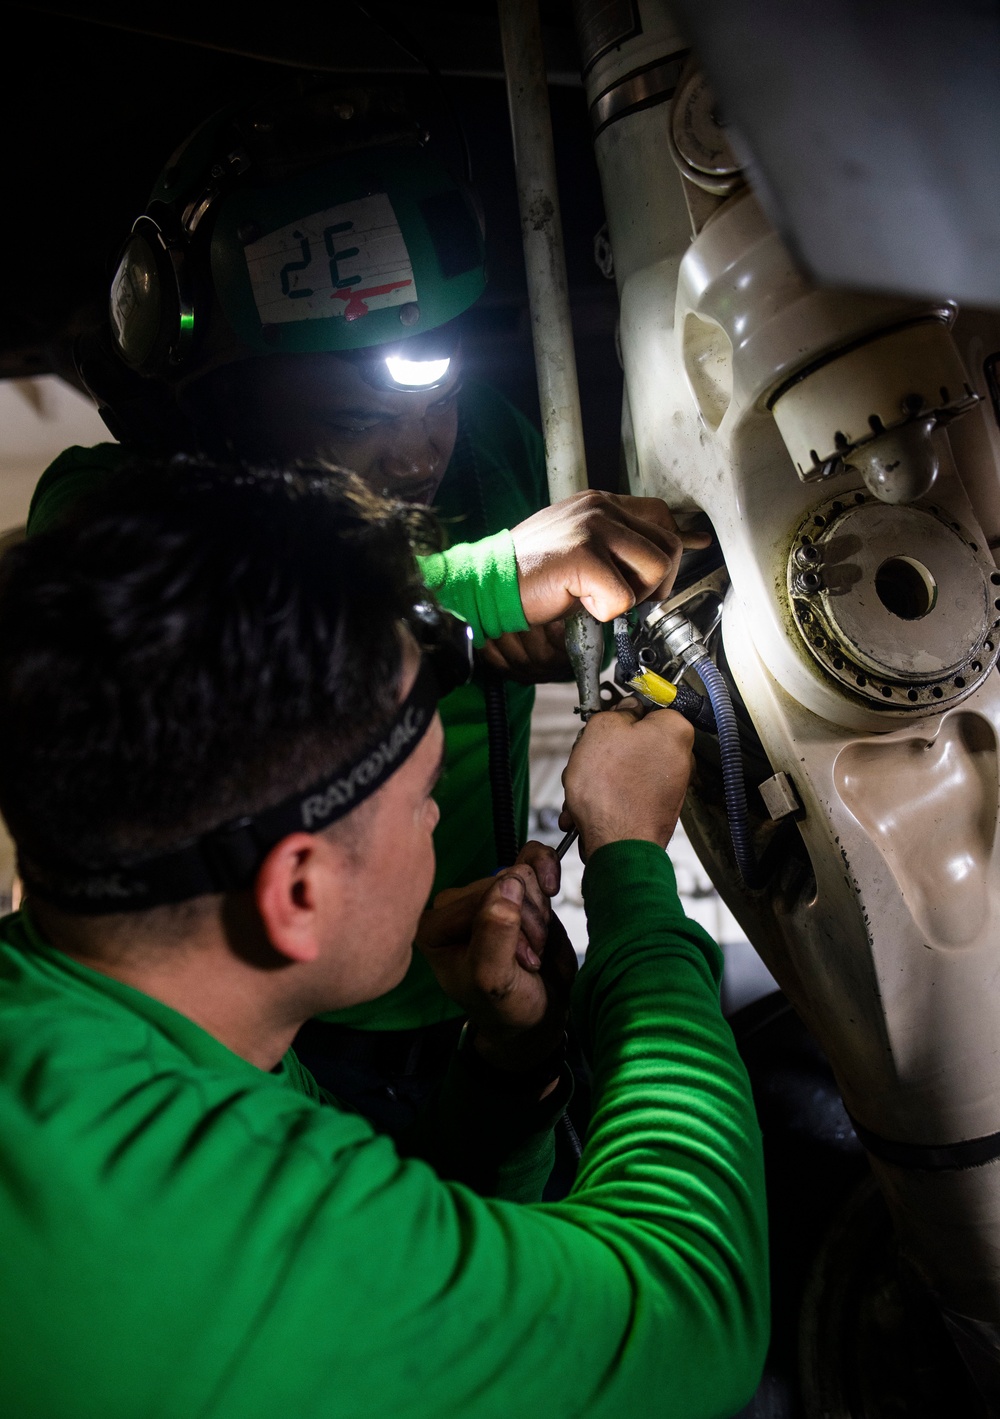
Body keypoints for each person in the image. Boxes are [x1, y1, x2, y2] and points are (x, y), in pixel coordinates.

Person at [0, 457, 767, 1418]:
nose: (440, 829)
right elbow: (690, 1314)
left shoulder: (98, 1018)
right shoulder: (221, 1227)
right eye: (423, 803)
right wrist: (631, 873)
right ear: (299, 890)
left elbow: (412, 1247)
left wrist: (507, 1063)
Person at [30, 82, 709, 1131]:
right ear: (219, 400)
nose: (418, 450)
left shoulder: (482, 444)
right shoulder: (108, 512)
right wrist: (480, 585)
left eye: (432, 392)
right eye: (355, 415)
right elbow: (231, 619)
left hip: (472, 974)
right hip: (271, 1032)